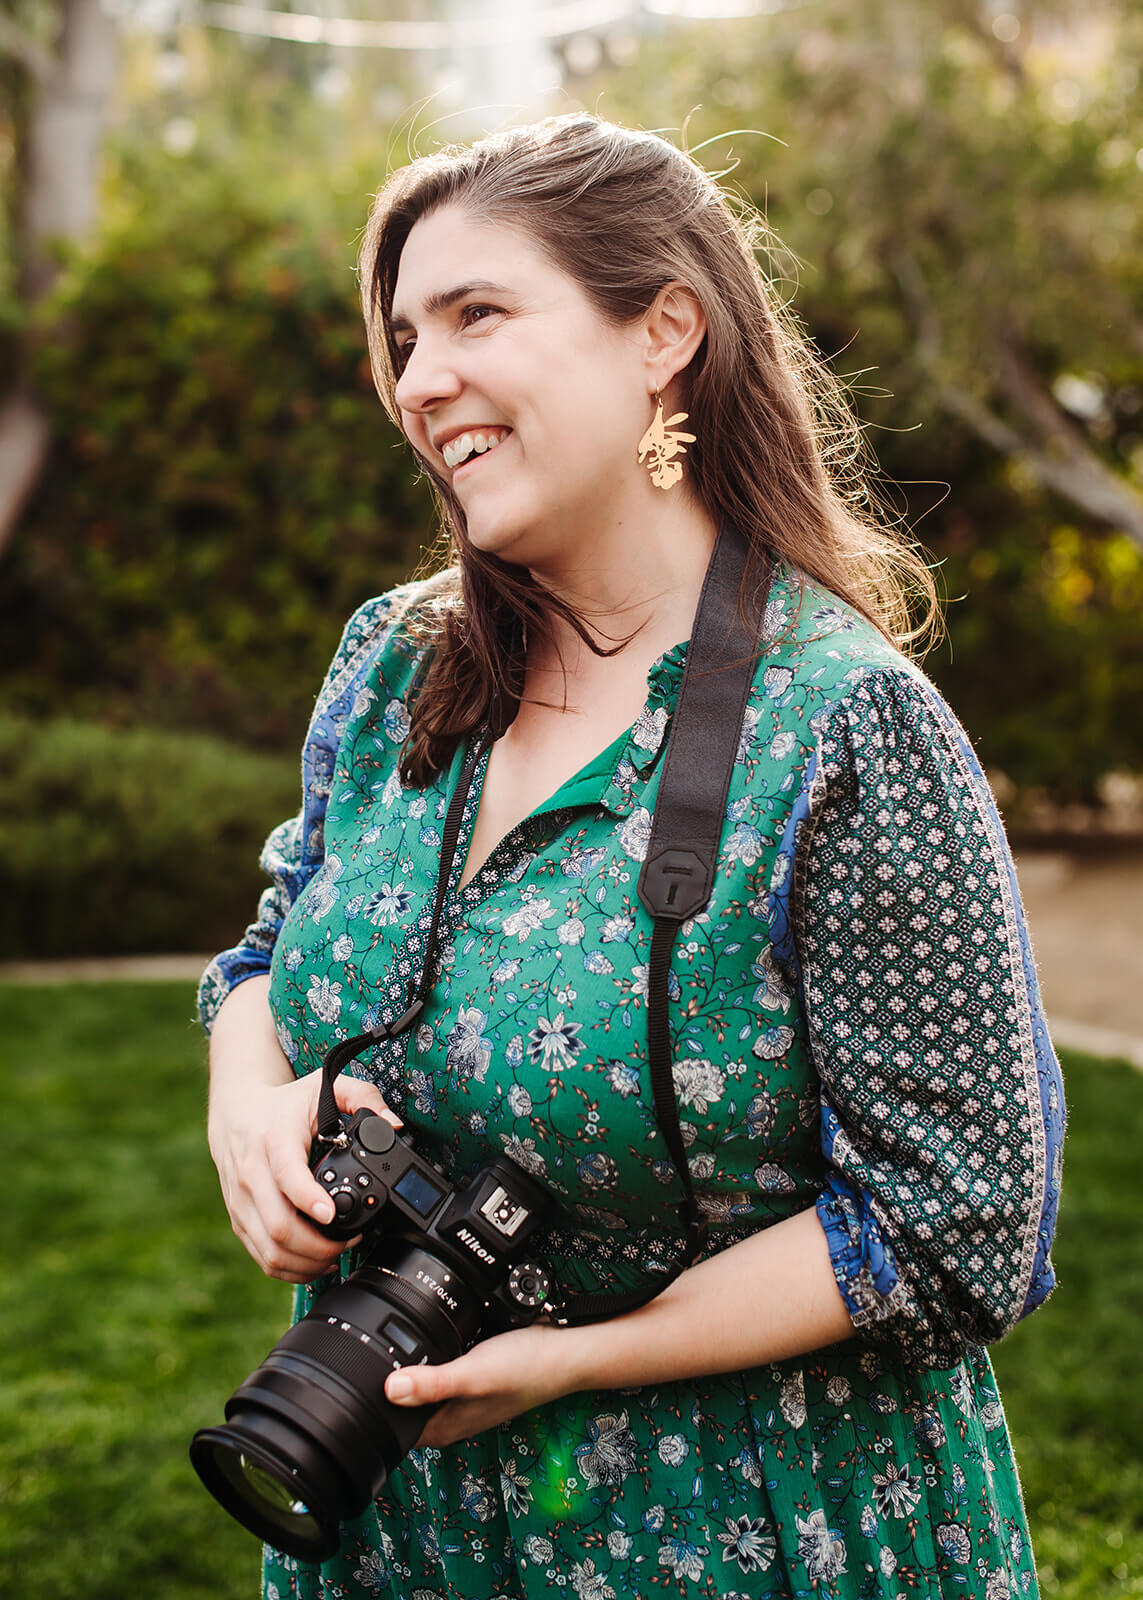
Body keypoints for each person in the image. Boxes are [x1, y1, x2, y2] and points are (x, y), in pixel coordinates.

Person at [199, 114, 1064, 1600]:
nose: (420, 381)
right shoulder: (394, 663)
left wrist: (585, 1358)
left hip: (744, 1527)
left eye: (478, 314)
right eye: (405, 337)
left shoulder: (847, 728)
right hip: (395, 1525)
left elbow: (960, 1217)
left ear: (664, 330)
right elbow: (273, 950)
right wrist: (246, 1103)